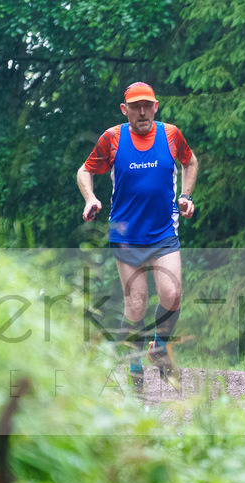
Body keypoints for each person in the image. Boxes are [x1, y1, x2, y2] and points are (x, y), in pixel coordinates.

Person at [76, 81, 198, 392]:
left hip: (163, 231)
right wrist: (90, 198)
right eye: (135, 106)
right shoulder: (113, 139)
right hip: (126, 234)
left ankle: (158, 347)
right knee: (137, 304)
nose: (142, 111)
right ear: (125, 109)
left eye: (147, 105)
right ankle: (134, 360)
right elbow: (84, 171)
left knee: (172, 296)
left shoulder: (170, 134)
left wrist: (185, 196)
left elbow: (190, 161)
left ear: (156, 106)